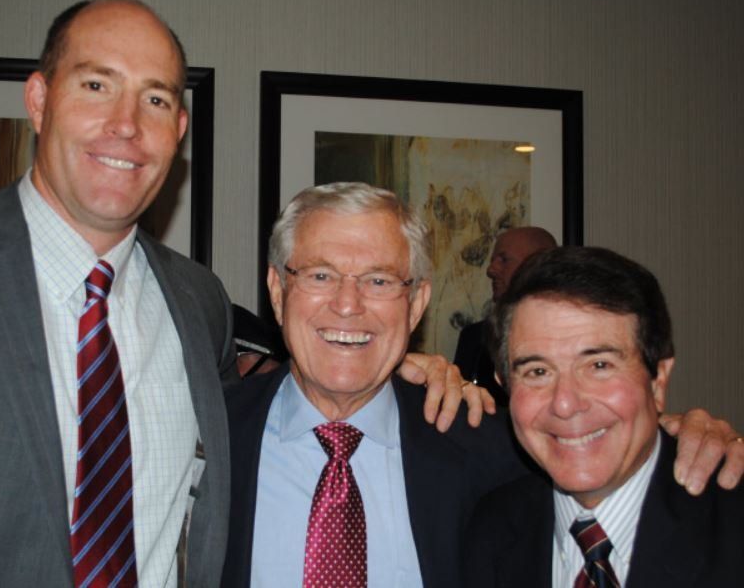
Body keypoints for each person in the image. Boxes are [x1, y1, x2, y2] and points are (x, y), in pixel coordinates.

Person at [0, 0, 479, 588]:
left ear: (180, 129)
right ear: (38, 98)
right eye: (96, 84)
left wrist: (391, 369)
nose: (126, 123)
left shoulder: (197, 303)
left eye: (156, 99)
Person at [220, 184, 743, 588]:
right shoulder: (206, 433)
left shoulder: (489, 447)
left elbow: (597, 451)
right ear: (277, 290)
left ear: (418, 302)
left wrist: (668, 435)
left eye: (379, 280)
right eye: (319, 275)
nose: (348, 304)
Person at [464, 246, 744, 587]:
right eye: (537, 372)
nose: (565, 404)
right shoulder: (489, 532)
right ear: (505, 385)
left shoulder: (730, 526)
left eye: (599, 365)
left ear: (658, 381)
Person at [453, 226, 557, 405]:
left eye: (504, 259)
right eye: (493, 260)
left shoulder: (567, 334)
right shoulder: (474, 337)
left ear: (538, 265)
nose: (491, 270)